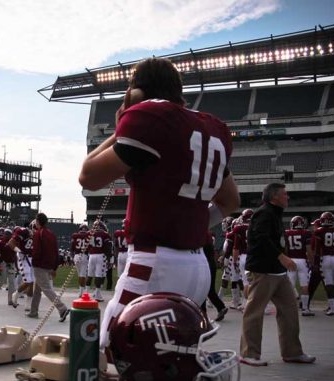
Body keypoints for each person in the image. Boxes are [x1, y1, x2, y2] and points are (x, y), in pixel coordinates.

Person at [78, 57, 240, 349]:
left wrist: (118, 131)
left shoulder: (150, 116)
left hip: (154, 264)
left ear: (136, 91)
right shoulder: (212, 127)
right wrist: (194, 223)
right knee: (170, 362)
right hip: (197, 270)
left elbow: (88, 176)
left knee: (108, 350)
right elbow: (230, 200)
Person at [240, 183, 315, 366]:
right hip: (263, 271)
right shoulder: (264, 213)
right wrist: (282, 257)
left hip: (278, 272)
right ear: (274, 197)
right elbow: (260, 238)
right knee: (254, 312)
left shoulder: (274, 214)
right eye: (284, 194)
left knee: (289, 310)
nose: (287, 197)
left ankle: (292, 352)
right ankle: (249, 353)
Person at [28, 213, 71, 322]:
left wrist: (34, 262)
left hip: (40, 265)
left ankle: (62, 308)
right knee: (37, 289)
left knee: (46, 289)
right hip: (49, 265)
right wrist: (54, 267)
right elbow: (56, 252)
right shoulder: (51, 234)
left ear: (38, 222)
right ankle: (33, 311)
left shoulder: (38, 234)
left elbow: (37, 251)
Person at [313, 211, 334, 316]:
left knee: (329, 284)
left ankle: (332, 308)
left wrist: (316, 263)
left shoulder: (319, 231)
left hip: (325, 259)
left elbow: (317, 250)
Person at [284, 216, 314, 316]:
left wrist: (287, 260)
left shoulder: (287, 233)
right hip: (302, 260)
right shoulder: (306, 233)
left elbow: (286, 249)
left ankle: (289, 308)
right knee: (304, 285)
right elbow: (308, 250)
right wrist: (311, 261)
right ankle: (305, 309)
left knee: (290, 285)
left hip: (291, 260)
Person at [8, 223, 36, 312]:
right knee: (28, 281)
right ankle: (15, 295)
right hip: (23, 258)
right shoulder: (23, 231)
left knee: (32, 282)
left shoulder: (39, 234)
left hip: (33, 259)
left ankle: (28, 305)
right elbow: (11, 243)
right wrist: (19, 251)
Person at [0, 229, 18, 306]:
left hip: (11, 264)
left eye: (8, 234)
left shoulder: (13, 243)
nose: (6, 235)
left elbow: (15, 256)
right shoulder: (1, 243)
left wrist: (17, 266)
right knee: (1, 282)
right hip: (3, 262)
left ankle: (10, 300)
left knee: (11, 282)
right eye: (5, 234)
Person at [202, 231, 228, 321]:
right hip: (211, 264)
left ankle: (203, 314)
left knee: (202, 289)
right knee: (210, 290)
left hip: (204, 264)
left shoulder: (200, 235)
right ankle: (221, 307)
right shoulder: (208, 235)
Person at [87, 220, 112, 302]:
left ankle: (86, 293)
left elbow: (87, 246)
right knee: (99, 275)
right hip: (100, 255)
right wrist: (109, 258)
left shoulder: (89, 233)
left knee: (90, 274)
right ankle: (97, 294)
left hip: (91, 255)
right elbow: (107, 247)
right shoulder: (105, 234)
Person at [233, 209, 253, 308]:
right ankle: (258, 305)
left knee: (246, 283)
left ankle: (245, 304)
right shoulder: (257, 226)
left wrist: (235, 261)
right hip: (254, 256)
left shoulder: (239, 228)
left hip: (243, 257)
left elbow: (236, 247)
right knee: (257, 283)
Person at [71, 223, 90, 297]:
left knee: (80, 275)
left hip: (76, 255)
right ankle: (81, 292)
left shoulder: (75, 235)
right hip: (84, 255)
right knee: (83, 275)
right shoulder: (88, 235)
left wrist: (73, 256)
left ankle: (81, 290)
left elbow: (72, 248)